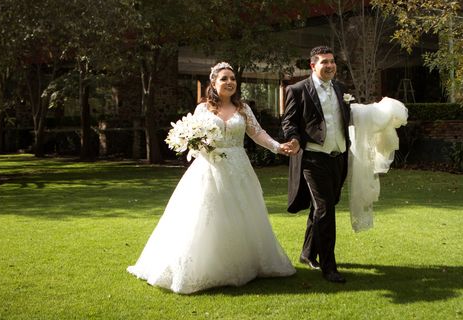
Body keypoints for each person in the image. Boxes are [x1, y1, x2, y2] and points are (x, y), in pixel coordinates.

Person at [127, 62, 296, 294]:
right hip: (208, 168)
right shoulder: (203, 109)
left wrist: (278, 147)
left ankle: (245, 264)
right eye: (224, 79)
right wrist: (196, 146)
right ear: (214, 84)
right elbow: (193, 138)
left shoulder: (243, 109)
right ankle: (202, 268)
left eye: (233, 79)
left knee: (241, 215)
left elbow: (257, 134)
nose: (230, 82)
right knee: (206, 215)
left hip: (238, 168)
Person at [281, 46, 351, 283]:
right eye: (324, 62)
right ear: (313, 65)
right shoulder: (298, 90)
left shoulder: (341, 89)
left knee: (323, 206)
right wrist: (293, 138)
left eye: (332, 62)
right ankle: (329, 266)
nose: (330, 66)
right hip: (313, 159)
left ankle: (308, 252)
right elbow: (289, 122)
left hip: (339, 157)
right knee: (325, 210)